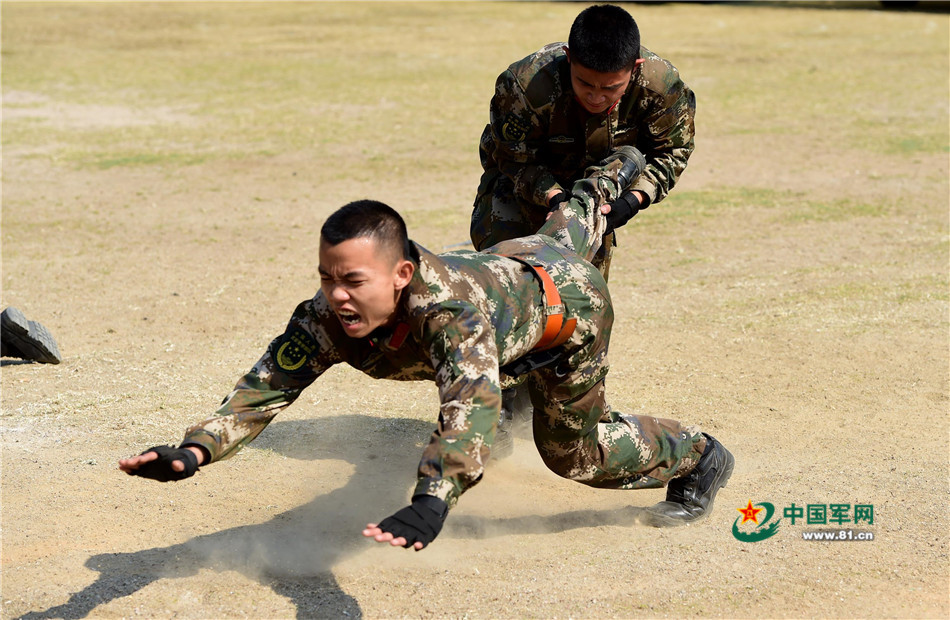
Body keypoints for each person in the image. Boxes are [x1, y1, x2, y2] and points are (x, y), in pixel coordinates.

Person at [119, 148, 733, 550]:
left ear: (401, 276)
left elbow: (469, 407)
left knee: (574, 455)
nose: (336, 295)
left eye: (353, 281)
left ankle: (700, 455)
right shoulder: (324, 318)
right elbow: (264, 390)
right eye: (327, 277)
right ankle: (599, 183)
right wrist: (196, 450)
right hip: (510, 263)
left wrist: (431, 500)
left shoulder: (450, 319)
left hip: (563, 311)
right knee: (565, 227)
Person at [470, 3, 696, 280]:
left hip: (596, 193)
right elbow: (512, 158)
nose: (597, 97)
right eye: (585, 84)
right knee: (507, 280)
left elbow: (672, 152)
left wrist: (633, 201)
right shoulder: (524, 86)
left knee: (579, 291)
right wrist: (554, 198)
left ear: (635, 67)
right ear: (568, 58)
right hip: (520, 186)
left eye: (611, 88)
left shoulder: (661, 88)